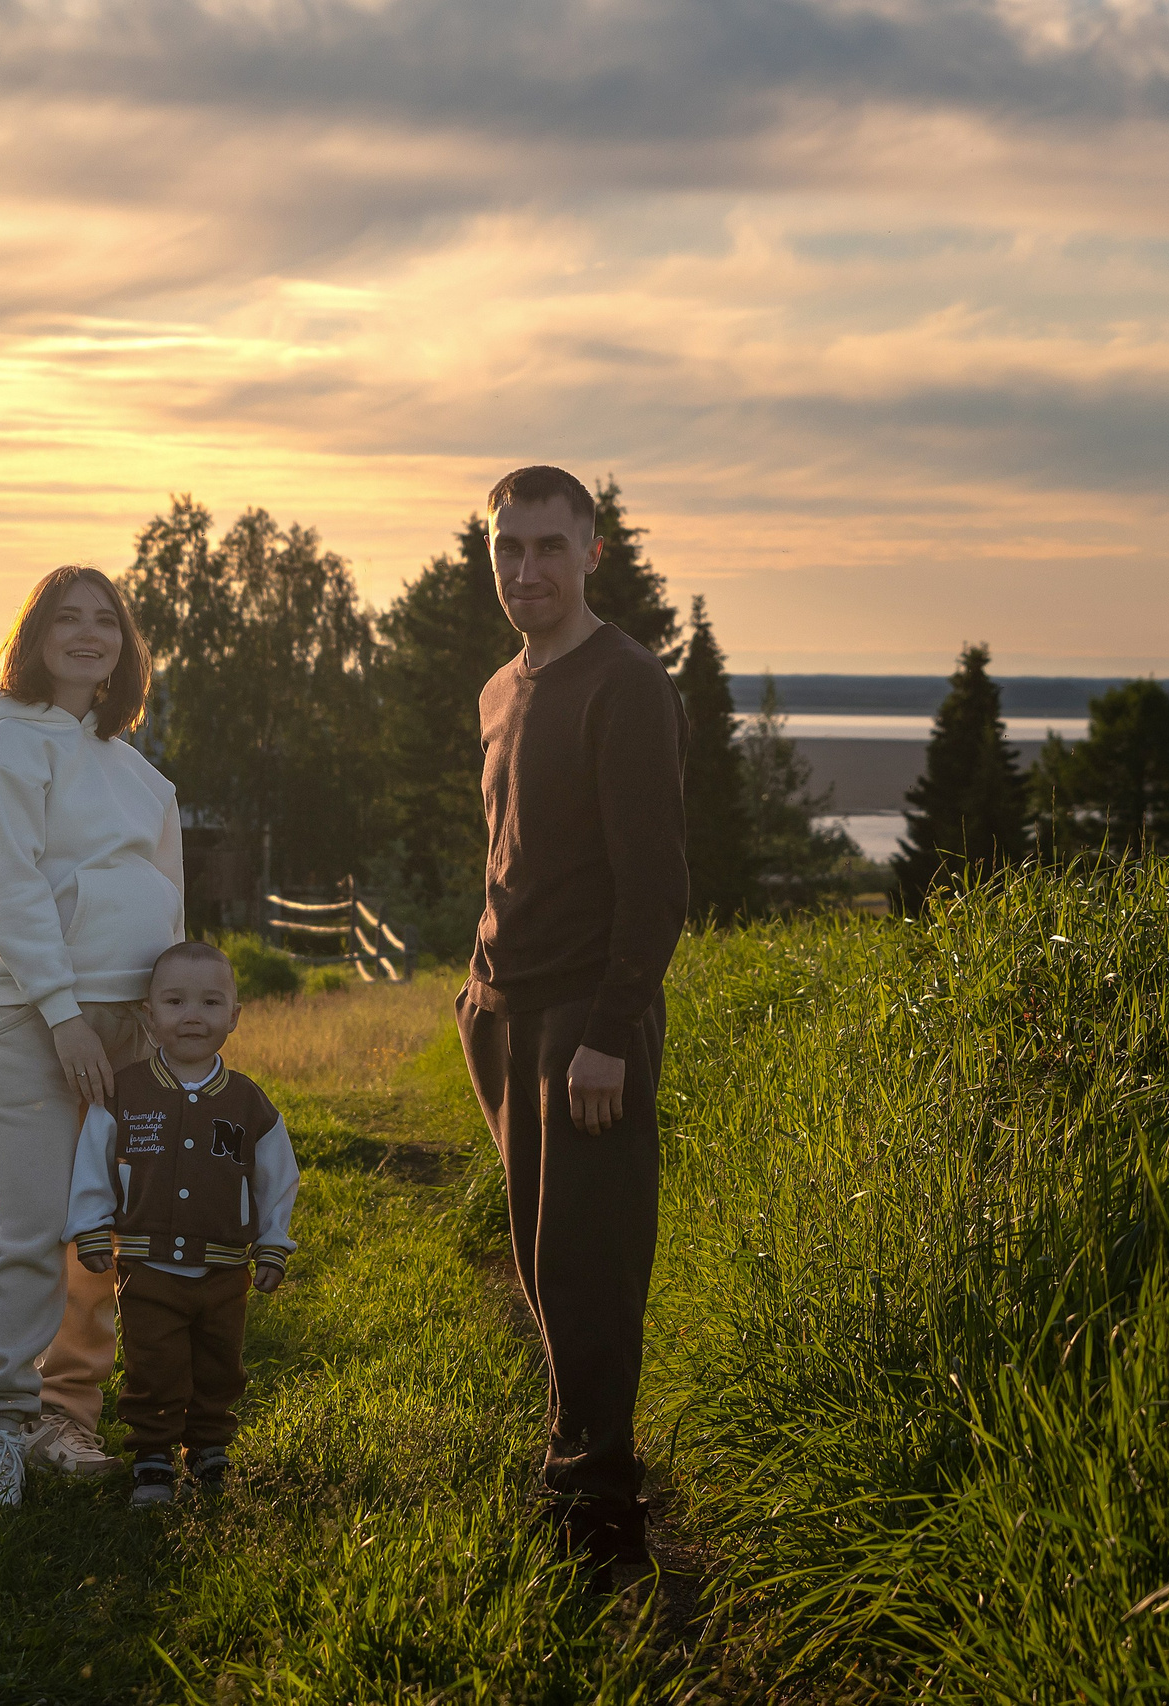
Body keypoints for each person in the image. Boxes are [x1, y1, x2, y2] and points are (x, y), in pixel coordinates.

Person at [454, 464, 688, 1582]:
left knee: (590, 1270)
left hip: (585, 1028)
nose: (527, 568)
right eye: (508, 547)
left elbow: (656, 883)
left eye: (549, 545)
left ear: (594, 551)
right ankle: (569, 1463)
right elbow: (508, 855)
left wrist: (607, 1030)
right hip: (503, 1011)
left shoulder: (624, 682)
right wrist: (474, 992)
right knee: (543, 1266)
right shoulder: (502, 687)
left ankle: (600, 1522)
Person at [0, 565, 186, 1506]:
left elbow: (168, 909)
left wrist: (174, 1030)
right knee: (30, 1221)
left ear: (126, 647)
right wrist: (63, 1015)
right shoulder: (4, 746)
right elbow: (5, 889)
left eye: (108, 622)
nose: (90, 635)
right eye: (68, 619)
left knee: (102, 1232)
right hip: (38, 1012)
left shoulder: (138, 775)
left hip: (134, 1021)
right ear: (34, 636)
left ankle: (63, 1418)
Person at [67, 941, 298, 1507]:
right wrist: (93, 1226)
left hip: (225, 1271)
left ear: (234, 1018)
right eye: (174, 1001)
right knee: (153, 1363)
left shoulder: (249, 1104)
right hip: (147, 1268)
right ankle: (152, 1457)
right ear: (150, 1016)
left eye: (210, 1003)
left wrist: (272, 1243)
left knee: (221, 1364)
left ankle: (210, 1449)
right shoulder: (125, 1092)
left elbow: (276, 1179)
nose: (192, 1015)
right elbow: (94, 1162)